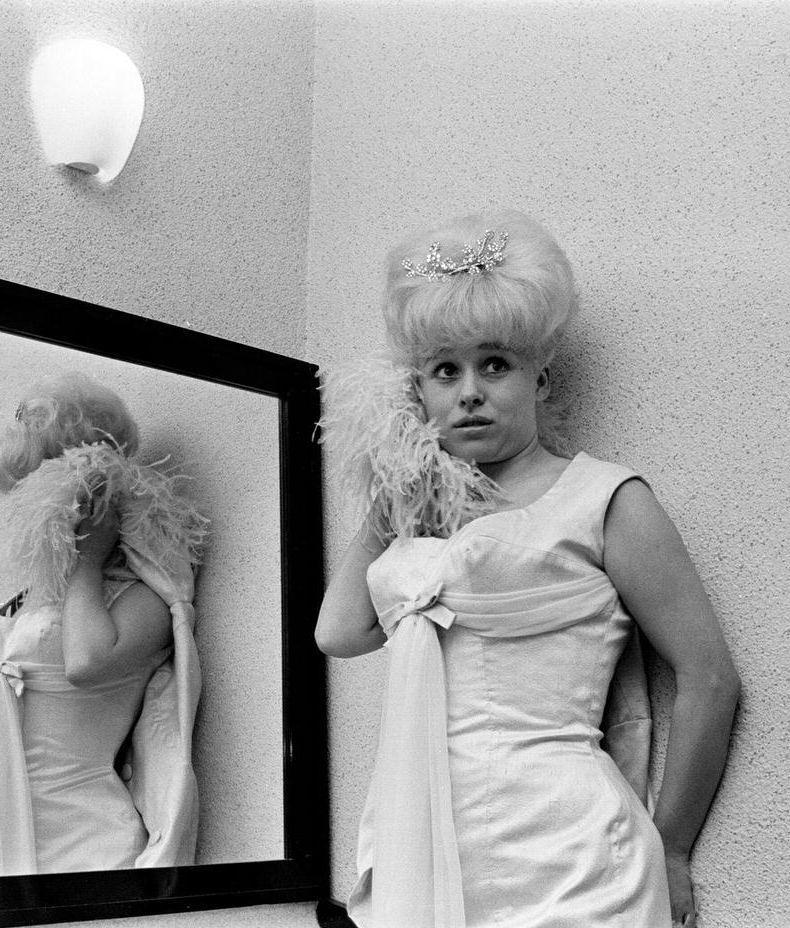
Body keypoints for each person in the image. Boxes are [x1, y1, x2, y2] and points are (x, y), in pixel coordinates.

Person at [316, 212, 741, 928]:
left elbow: (711, 678)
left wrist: (670, 851)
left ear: (540, 379)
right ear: (415, 390)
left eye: (495, 364)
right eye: (443, 370)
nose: (469, 391)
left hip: (571, 859)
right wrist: (397, 475)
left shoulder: (605, 499)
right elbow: (338, 631)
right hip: (426, 845)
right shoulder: (417, 514)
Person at [0, 372, 208, 877]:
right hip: (1, 827)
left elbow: (87, 663)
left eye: (39, 486)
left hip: (84, 841)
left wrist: (89, 559)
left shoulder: (142, 598)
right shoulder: (33, 597)